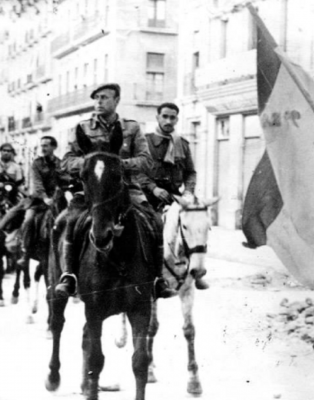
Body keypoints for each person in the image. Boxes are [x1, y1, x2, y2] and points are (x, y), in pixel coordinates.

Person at [55, 83, 177, 299]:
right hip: (92, 190)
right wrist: (90, 164)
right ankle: (69, 275)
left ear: (116, 100)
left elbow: (146, 160)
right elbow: (66, 161)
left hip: (125, 188)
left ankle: (157, 278)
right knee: (70, 220)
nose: (99, 102)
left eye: (104, 98)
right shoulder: (82, 128)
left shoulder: (131, 127)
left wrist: (121, 165)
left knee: (155, 221)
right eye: (96, 98)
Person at [143, 102, 207, 290]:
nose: (168, 121)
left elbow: (190, 172)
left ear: (177, 119)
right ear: (157, 117)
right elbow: (135, 172)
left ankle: (196, 270)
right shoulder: (144, 142)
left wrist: (188, 192)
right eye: (165, 116)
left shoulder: (182, 144)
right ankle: (147, 275)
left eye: (172, 117)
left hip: (174, 197)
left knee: (196, 223)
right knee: (143, 230)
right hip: (146, 196)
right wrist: (153, 188)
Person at [0, 136, 62, 268]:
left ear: (54, 147)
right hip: (38, 201)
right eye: (42, 146)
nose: (43, 148)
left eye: (46, 145)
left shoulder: (60, 163)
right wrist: (45, 198)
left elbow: (64, 180)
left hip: (56, 199)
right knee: (28, 220)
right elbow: (37, 183)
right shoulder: (37, 163)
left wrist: (59, 193)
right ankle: (26, 252)